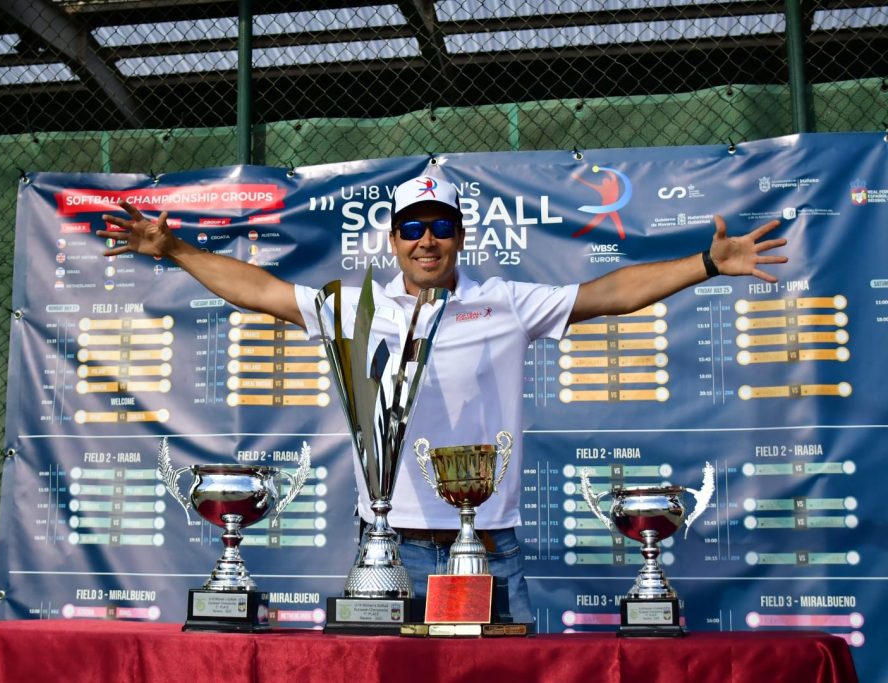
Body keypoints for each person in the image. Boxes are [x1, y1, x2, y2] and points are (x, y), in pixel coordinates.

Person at [98, 173, 787, 625]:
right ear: (393, 239)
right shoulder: (358, 308)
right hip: (389, 548)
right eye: (412, 228)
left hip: (489, 546)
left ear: (460, 235)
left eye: (440, 227)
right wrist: (176, 249)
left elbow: (609, 294)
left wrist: (706, 263)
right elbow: (260, 290)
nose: (426, 241)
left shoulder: (505, 302)